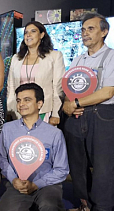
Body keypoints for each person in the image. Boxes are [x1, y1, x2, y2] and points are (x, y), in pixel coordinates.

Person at [63, 13, 114, 211]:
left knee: (103, 168)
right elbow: (68, 87)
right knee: (78, 165)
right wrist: (69, 103)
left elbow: (108, 91)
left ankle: (102, 207)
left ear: (104, 32)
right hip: (77, 118)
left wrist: (75, 102)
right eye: (83, 30)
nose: (85, 33)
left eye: (91, 29)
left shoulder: (111, 56)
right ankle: (84, 204)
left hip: (102, 117)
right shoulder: (78, 59)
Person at [0, 83, 69, 211]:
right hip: (17, 185)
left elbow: (61, 170)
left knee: (49, 206)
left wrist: (37, 184)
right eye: (18, 100)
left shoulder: (54, 133)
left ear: (39, 104)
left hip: (47, 185)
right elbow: (1, 158)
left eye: (27, 100)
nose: (21, 104)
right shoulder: (8, 129)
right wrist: (14, 180)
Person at [7, 21, 65, 125]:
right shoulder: (16, 58)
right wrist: (10, 109)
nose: (28, 35)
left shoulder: (54, 56)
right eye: (26, 32)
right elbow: (11, 87)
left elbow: (58, 87)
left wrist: (56, 113)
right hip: (20, 112)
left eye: (33, 31)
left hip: (43, 111)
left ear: (42, 35)